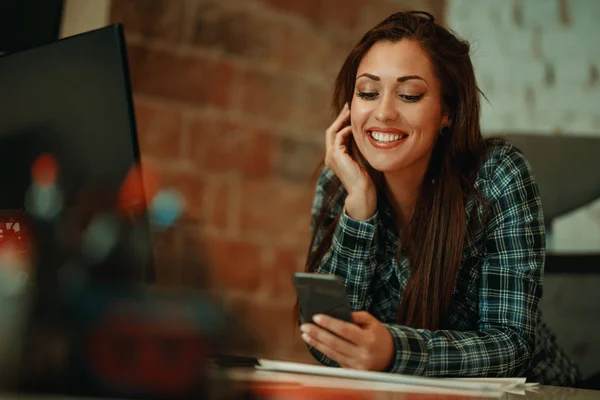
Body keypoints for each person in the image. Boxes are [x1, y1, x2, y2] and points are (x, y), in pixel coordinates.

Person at [297, 10, 582, 388]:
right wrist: (359, 208)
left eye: (410, 94)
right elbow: (327, 341)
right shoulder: (341, 180)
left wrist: (395, 351)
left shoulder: (498, 176)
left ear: (447, 111)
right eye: (368, 92)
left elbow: (513, 345)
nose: (383, 112)